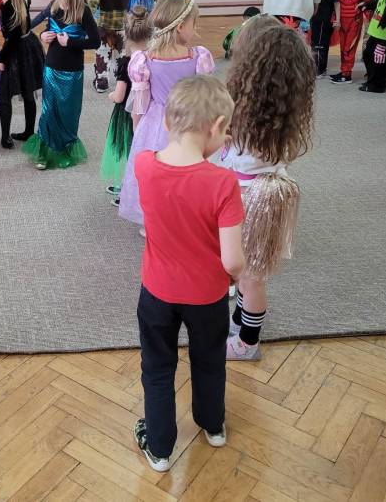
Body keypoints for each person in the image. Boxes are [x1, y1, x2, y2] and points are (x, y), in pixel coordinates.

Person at [132, 75, 244, 473]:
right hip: (207, 297)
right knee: (210, 359)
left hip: (157, 293)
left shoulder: (144, 165)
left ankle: (160, 448)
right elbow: (233, 260)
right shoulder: (224, 183)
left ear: (166, 121)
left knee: (157, 367)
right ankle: (212, 426)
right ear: (217, 126)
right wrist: (234, 278)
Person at [220, 17, 314, 360]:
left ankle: (248, 343)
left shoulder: (247, 111)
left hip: (251, 197)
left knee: (250, 276)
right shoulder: (280, 108)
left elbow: (231, 149)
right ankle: (239, 322)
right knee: (250, 272)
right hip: (262, 193)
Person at [119, 0, 215, 227]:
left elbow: (140, 102)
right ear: (181, 26)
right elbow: (204, 98)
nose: (195, 29)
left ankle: (154, 222)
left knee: (157, 175)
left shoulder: (144, 60)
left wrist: (138, 130)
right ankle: (182, 219)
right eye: (194, 24)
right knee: (185, 172)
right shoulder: (199, 57)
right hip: (188, 123)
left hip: (154, 126)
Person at [23, 0, 101, 169]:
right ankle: (44, 151)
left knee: (68, 112)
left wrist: (71, 43)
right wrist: (43, 35)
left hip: (73, 72)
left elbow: (95, 41)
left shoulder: (83, 11)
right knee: (49, 110)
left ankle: (64, 148)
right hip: (51, 68)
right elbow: (38, 27)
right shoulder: (53, 6)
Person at [88, 0, 156, 92]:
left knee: (102, 54)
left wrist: (86, 20)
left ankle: (101, 83)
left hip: (103, 26)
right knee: (121, 54)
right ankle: (121, 80)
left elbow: (92, 4)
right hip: (121, 26)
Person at [0, 0, 45, 149]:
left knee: (5, 94)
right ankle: (28, 131)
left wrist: (1, 59)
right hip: (28, 45)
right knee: (27, 90)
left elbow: (12, 38)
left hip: (16, 50)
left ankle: (5, 137)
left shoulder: (9, 7)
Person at [101, 8, 147, 206]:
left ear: (125, 35)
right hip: (146, 112)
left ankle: (129, 193)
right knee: (141, 151)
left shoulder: (127, 62)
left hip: (127, 114)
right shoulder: (151, 59)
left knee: (130, 152)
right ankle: (131, 188)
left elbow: (119, 96)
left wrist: (111, 95)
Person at [330, 0, 373, 83]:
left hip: (355, 24)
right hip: (342, 26)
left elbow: (370, 5)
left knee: (349, 48)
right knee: (343, 48)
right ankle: (344, 70)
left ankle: (347, 74)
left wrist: (366, 4)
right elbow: (336, 9)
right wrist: (335, 20)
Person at [310, 0, 342, 77]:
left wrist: (337, 19)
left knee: (320, 43)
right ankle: (318, 66)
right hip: (318, 15)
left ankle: (319, 69)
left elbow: (337, 2)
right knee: (316, 41)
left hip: (324, 17)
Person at [125, 7, 155, 129]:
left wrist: (136, 130)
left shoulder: (138, 63)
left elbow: (138, 107)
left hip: (146, 115)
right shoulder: (154, 57)